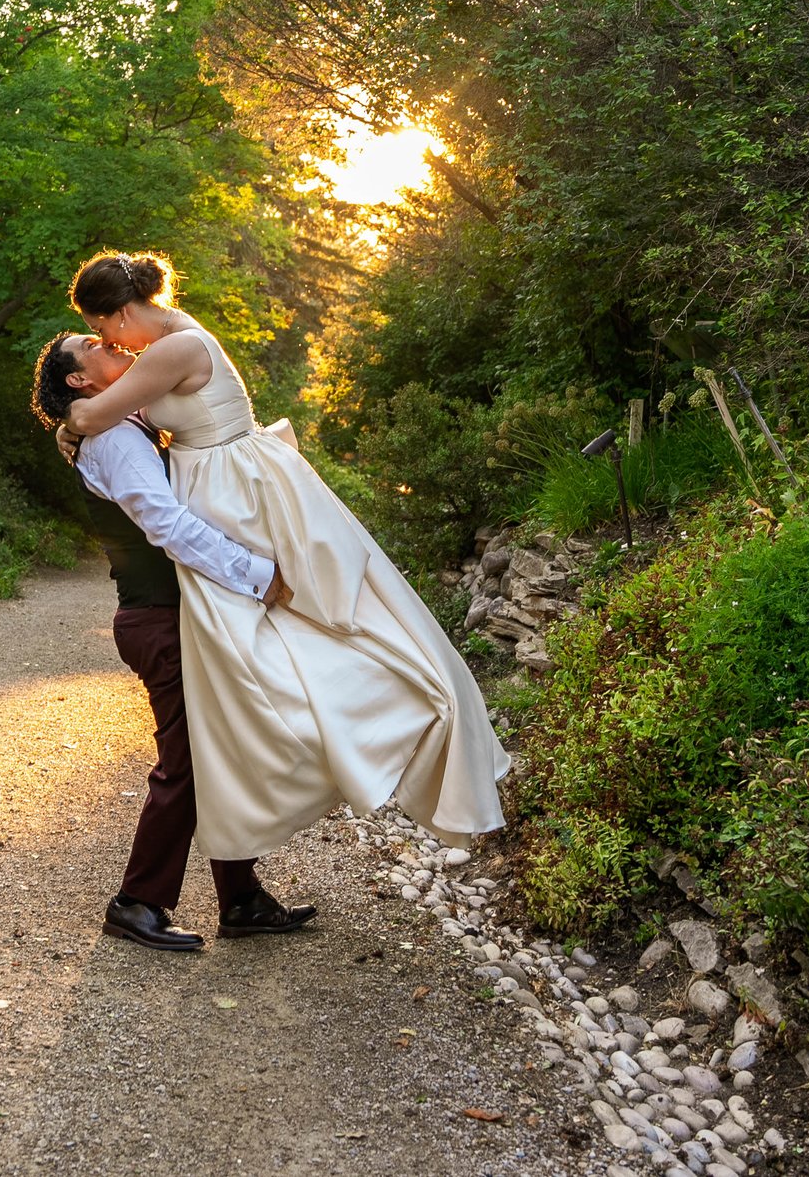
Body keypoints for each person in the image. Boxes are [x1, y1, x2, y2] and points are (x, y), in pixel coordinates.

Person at [57, 250, 509, 863]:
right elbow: (123, 413)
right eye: (100, 340)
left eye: (103, 327)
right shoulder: (167, 342)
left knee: (290, 629)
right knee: (258, 655)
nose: (111, 341)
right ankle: (249, 859)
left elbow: (93, 412)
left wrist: (73, 422)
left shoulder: (171, 348)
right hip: (224, 482)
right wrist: (81, 421)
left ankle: (385, 728)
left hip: (234, 489)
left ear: (120, 310)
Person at [30, 330, 320, 952]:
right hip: (158, 621)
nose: (113, 343)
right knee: (187, 762)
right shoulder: (111, 437)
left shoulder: (114, 422)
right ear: (80, 379)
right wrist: (257, 575)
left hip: (174, 616)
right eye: (94, 344)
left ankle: (239, 898)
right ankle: (137, 902)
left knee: (218, 751)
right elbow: (165, 522)